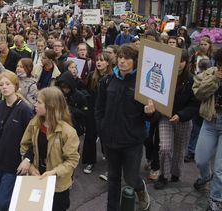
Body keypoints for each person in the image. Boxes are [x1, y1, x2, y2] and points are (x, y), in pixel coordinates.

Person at [95, 44, 153, 211]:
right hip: (110, 140)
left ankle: (140, 188)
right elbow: (99, 108)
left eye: (127, 58)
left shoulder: (143, 84)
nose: (122, 61)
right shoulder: (107, 80)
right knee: (113, 179)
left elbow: (150, 115)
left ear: (135, 61)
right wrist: (102, 128)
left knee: (130, 177)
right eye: (120, 57)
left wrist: (149, 113)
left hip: (132, 141)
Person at [20, 86, 80, 211]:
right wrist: (30, 167)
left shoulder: (68, 132)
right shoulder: (34, 123)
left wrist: (54, 172)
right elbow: (25, 146)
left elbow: (72, 160)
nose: (35, 104)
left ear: (51, 106)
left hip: (57, 186)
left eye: (38, 102)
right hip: (36, 178)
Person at [154, 50, 199, 190]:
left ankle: (175, 173)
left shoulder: (191, 79)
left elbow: (194, 104)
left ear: (186, 62)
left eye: (181, 61)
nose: (178, 64)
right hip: (165, 117)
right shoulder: (164, 75)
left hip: (183, 120)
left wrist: (181, 115)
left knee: (179, 150)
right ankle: (163, 175)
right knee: (165, 148)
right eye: (175, 60)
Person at [0, 71, 34, 211]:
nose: (4, 87)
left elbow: (33, 138)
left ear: (15, 86)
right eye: (1, 84)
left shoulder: (24, 110)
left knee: (4, 202)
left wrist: (27, 159)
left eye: (7, 84)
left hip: (13, 164)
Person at [192, 48, 222, 211]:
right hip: (210, 121)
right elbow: (198, 93)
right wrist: (215, 81)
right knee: (200, 160)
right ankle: (205, 177)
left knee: (220, 169)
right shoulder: (210, 73)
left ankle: (216, 200)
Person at [82, 52, 112, 175]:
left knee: (107, 138)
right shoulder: (91, 76)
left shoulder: (111, 77)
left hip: (106, 112)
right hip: (92, 110)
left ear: (108, 63)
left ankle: (110, 162)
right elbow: (85, 92)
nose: (99, 62)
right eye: (97, 60)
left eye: (102, 60)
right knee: (90, 136)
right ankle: (90, 161)